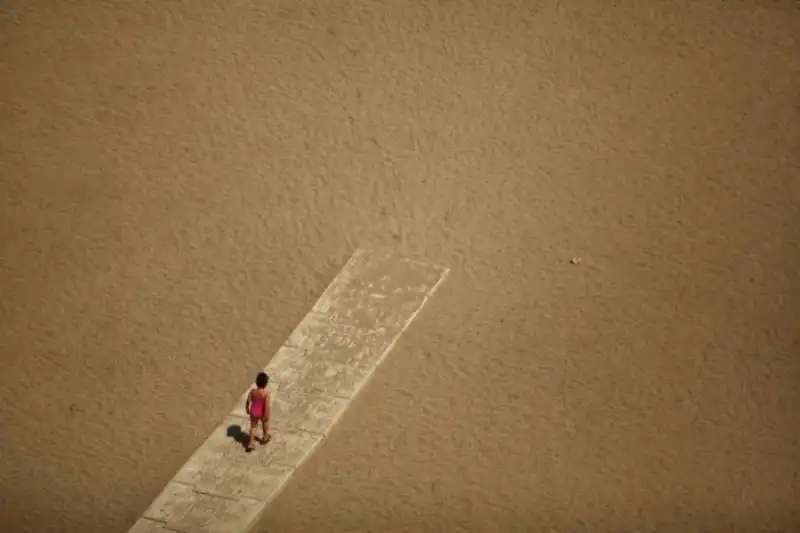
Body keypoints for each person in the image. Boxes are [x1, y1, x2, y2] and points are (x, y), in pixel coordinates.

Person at [245, 372, 271, 452]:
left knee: (253, 427)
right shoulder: (266, 393)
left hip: (254, 410)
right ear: (265, 384)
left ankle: (251, 443)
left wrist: (247, 408)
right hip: (262, 410)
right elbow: (267, 405)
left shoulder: (252, 391)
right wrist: (266, 415)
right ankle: (265, 437)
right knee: (265, 423)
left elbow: (248, 401)